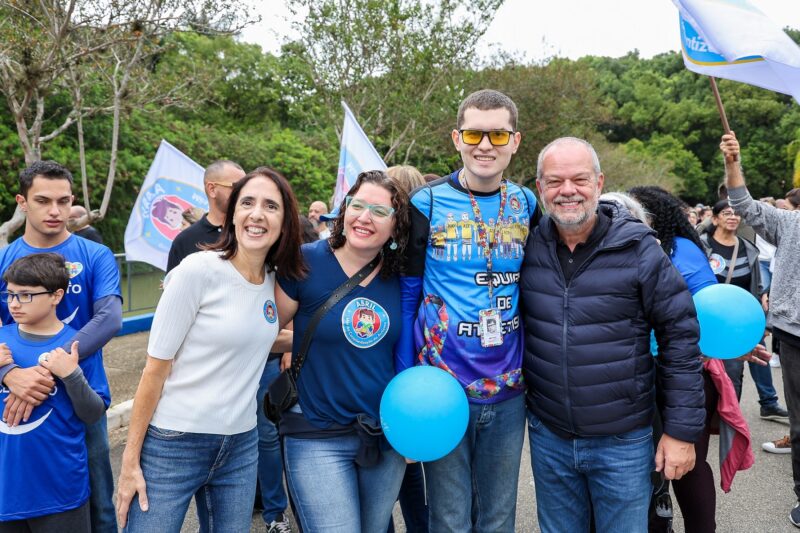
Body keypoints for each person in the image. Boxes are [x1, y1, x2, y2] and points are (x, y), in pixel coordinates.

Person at [520, 137, 705, 532]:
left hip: (622, 442)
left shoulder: (639, 248)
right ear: (540, 188)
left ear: (599, 183)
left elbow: (680, 338)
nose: (567, 190)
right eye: (554, 181)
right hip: (549, 435)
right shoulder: (528, 246)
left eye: (579, 179)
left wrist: (680, 432)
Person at [116, 167, 305, 532]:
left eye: (270, 206)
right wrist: (129, 461)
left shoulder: (273, 281)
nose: (257, 214)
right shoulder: (197, 271)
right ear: (232, 214)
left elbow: (256, 337)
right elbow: (154, 370)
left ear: (285, 222)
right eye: (247, 203)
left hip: (241, 445)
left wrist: (326, 339)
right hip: (174, 442)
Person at [397, 89, 541, 532]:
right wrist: (404, 379)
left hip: (509, 386)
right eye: (475, 134)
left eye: (498, 135)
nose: (485, 145)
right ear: (457, 138)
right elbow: (408, 294)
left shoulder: (526, 203)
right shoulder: (425, 202)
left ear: (515, 141)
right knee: (450, 517)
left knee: (498, 517)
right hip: (441, 387)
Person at [275, 170, 409, 533]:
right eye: (357, 205)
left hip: (383, 435)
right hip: (315, 429)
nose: (364, 217)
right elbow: (262, 333)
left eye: (379, 211)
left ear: (396, 226)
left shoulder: (403, 277)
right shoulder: (305, 262)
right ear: (344, 209)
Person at [0, 160, 122, 533]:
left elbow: (109, 319)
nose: (55, 210)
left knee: (99, 503)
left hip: (80, 394)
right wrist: (9, 374)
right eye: (43, 200)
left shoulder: (95, 254)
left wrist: (47, 367)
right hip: (16, 397)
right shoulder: (4, 259)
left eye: (64, 201)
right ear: (22, 202)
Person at [630, 185, 758, 533]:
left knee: (673, 464)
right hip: (682, 370)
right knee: (687, 464)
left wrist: (728, 342)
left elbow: (707, 312)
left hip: (674, 371)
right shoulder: (685, 248)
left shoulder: (670, 251)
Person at [720, 132, 800, 527]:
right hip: (795, 334)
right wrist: (732, 163)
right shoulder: (789, 223)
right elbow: (743, 204)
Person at [0, 253, 110, 532]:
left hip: (60, 492)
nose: (14, 303)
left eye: (25, 295)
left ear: (56, 296)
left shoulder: (76, 347)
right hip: (5, 491)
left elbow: (93, 414)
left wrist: (71, 375)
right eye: (10, 294)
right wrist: (5, 372)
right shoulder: (2, 342)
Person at [698, 199, 788, 421]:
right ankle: (701, 418)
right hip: (706, 319)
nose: (732, 217)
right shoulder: (701, 246)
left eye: (736, 213)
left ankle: (728, 420)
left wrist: (761, 319)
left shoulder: (748, 249)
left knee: (733, 372)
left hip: (736, 320)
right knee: (701, 370)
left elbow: (756, 286)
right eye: (726, 213)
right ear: (715, 219)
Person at [166, 159, 246, 272]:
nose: (244, 193)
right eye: (236, 187)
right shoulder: (185, 240)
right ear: (212, 189)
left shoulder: (250, 232)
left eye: (245, 187)